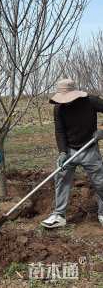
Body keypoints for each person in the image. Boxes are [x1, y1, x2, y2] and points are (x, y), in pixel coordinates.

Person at [41, 78, 103, 228]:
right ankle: (59, 215)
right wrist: (62, 152)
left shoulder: (91, 101)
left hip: (89, 149)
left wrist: (101, 129)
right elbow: (59, 131)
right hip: (69, 150)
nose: (65, 102)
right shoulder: (59, 108)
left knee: (100, 182)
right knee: (61, 179)